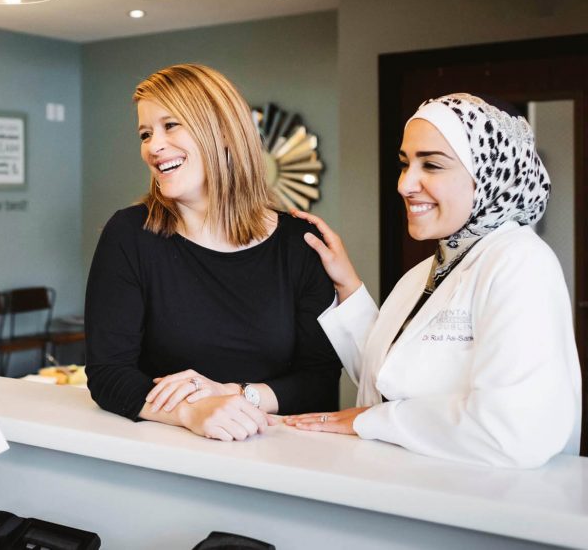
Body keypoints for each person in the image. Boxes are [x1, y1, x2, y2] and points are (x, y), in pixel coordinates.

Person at [285, 93, 581, 468]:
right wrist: (348, 286)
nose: (405, 185)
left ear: (487, 171)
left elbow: (516, 431)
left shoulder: (520, 262)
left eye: (433, 165)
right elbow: (388, 381)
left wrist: (368, 421)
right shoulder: (424, 274)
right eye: (405, 163)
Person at [85, 64, 341, 442]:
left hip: (277, 458)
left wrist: (236, 395)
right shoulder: (129, 234)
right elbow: (108, 373)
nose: (153, 147)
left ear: (222, 131)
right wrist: (190, 411)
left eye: (171, 125)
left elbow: (320, 381)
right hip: (162, 458)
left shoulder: (299, 243)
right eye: (145, 133)